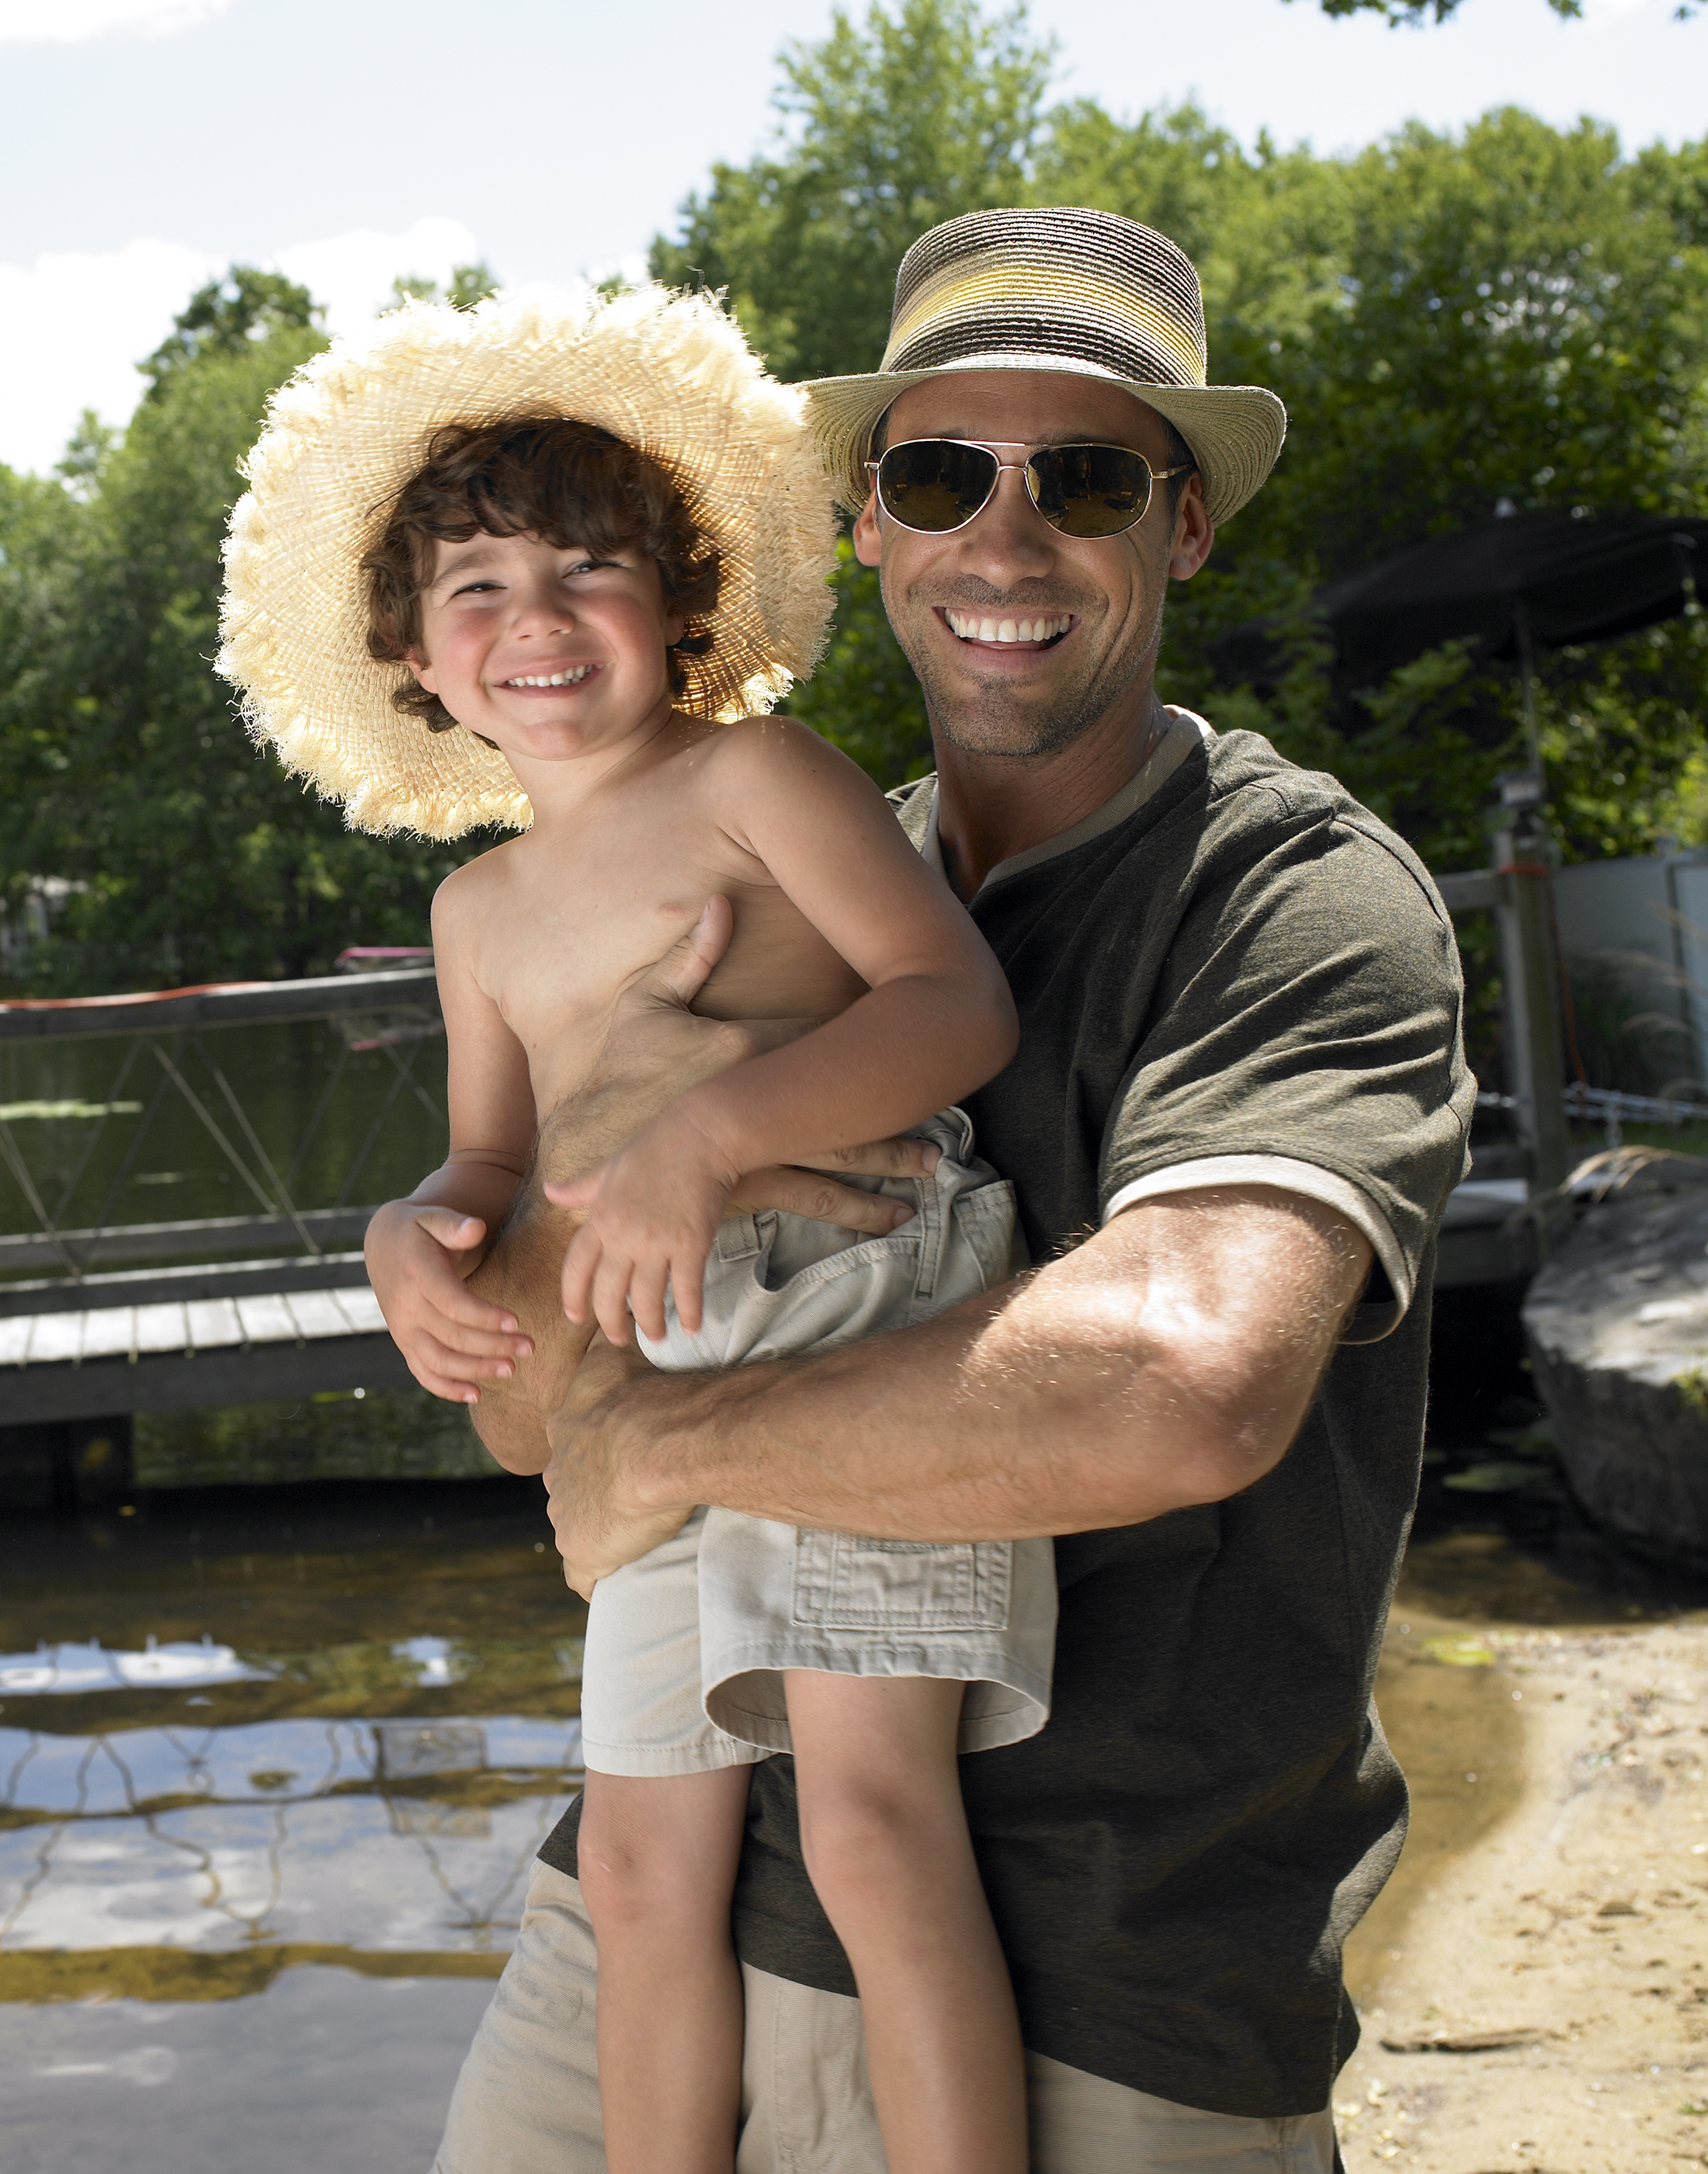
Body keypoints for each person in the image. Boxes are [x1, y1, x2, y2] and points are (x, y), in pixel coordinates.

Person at [412, 207, 1476, 2173]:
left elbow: (1176, 1380)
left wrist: (669, 1431)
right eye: (935, 473)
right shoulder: (744, 877)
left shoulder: (1291, 893)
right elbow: (532, 1423)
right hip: (646, 1924)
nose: (1003, 541)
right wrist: (547, 1214)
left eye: (1081, 477)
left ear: (1181, 527)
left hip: (1100, 1989)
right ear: (864, 526)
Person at [217, 285, 1063, 2174]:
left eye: (587, 571)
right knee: (635, 1848)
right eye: (476, 589)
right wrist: (401, 1236)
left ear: (678, 603)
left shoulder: (754, 779)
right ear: (414, 658)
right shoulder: (480, 913)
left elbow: (952, 1002)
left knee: (864, 1820)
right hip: (641, 1367)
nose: (535, 621)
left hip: (859, 1308)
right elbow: (487, 1171)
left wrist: (707, 1129)